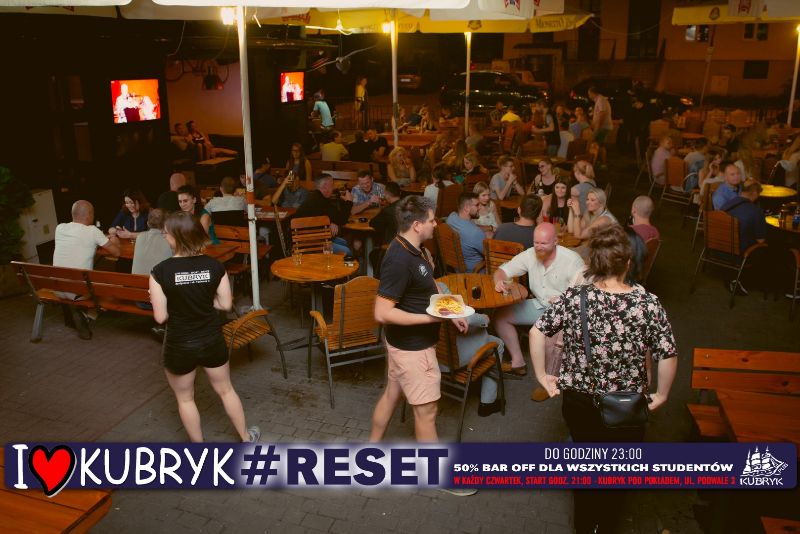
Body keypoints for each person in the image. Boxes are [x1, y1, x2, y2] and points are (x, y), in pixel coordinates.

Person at [531, 224, 677, 534]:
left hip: (580, 402)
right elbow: (667, 353)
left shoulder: (576, 297)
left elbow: (537, 331)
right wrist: (663, 394)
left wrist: (543, 375)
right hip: (627, 406)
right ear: (628, 262)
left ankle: (585, 526)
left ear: (595, 263)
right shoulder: (647, 303)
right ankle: (607, 525)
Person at [149, 211, 260, 444]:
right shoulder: (215, 266)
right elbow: (226, 304)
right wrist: (203, 300)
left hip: (180, 343)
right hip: (211, 339)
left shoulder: (159, 272)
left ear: (177, 236)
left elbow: (160, 317)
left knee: (186, 399)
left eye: (165, 233)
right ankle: (245, 437)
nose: (164, 237)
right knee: (226, 390)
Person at [369, 195, 469, 444]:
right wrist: (430, 318)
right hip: (413, 350)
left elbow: (427, 283)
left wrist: (450, 311)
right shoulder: (399, 259)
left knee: (392, 395)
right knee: (427, 413)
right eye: (432, 221)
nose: (436, 224)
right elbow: (382, 313)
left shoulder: (414, 249)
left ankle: (372, 447)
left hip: (402, 345)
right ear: (416, 225)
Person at [492, 222, 584, 375]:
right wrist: (499, 281)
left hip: (564, 312)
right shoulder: (530, 254)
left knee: (546, 339)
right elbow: (503, 270)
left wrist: (564, 300)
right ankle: (518, 362)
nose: (539, 247)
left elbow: (585, 295)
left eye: (544, 243)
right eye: (536, 242)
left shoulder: (572, 261)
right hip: (540, 305)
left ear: (555, 241)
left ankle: (549, 379)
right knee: (500, 317)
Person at [53, 200, 121, 339]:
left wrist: (99, 240)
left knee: (82, 277)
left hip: (57, 288)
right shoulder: (93, 231)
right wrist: (114, 240)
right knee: (112, 285)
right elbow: (117, 253)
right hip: (79, 292)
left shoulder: (60, 228)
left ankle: (77, 314)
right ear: (89, 215)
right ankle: (87, 315)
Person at [435, 281, 504, 417]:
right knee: (498, 343)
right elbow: (463, 315)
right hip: (453, 361)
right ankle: (487, 403)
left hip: (430, 359)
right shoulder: (439, 286)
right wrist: (484, 319)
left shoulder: (410, 296)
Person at [720, 179, 768, 295]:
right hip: (737, 254)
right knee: (768, 246)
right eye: (758, 193)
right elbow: (761, 240)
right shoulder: (756, 211)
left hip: (718, 248)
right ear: (754, 193)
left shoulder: (726, 205)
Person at [295, 175, 353, 255]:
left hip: (315, 238)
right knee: (346, 251)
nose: (333, 188)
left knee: (343, 242)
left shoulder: (314, 197)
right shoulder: (320, 201)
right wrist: (349, 201)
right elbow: (342, 219)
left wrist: (331, 222)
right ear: (325, 186)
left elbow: (333, 216)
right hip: (311, 244)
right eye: (332, 185)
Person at [368, 182, 402, 275]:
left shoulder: (387, 211)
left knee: (373, 255)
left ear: (386, 195)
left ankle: (377, 280)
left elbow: (373, 223)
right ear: (400, 193)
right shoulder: (409, 206)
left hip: (393, 249)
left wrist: (381, 210)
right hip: (411, 247)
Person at [445, 193, 485, 272]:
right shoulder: (475, 233)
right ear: (466, 208)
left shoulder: (451, 218)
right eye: (477, 205)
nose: (480, 207)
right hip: (475, 272)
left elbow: (469, 227)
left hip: (454, 268)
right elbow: (489, 254)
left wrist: (489, 228)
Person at [132, 209, 173, 276]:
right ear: (167, 223)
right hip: (157, 282)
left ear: (147, 223)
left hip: (135, 281)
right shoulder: (170, 239)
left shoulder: (140, 237)